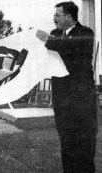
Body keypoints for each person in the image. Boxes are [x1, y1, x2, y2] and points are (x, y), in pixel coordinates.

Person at [36, 2, 97, 172]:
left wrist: (47, 40)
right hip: (62, 100)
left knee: (84, 145)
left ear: (69, 17)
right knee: (67, 143)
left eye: (57, 15)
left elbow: (70, 48)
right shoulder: (55, 34)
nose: (54, 19)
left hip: (82, 102)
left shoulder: (85, 33)